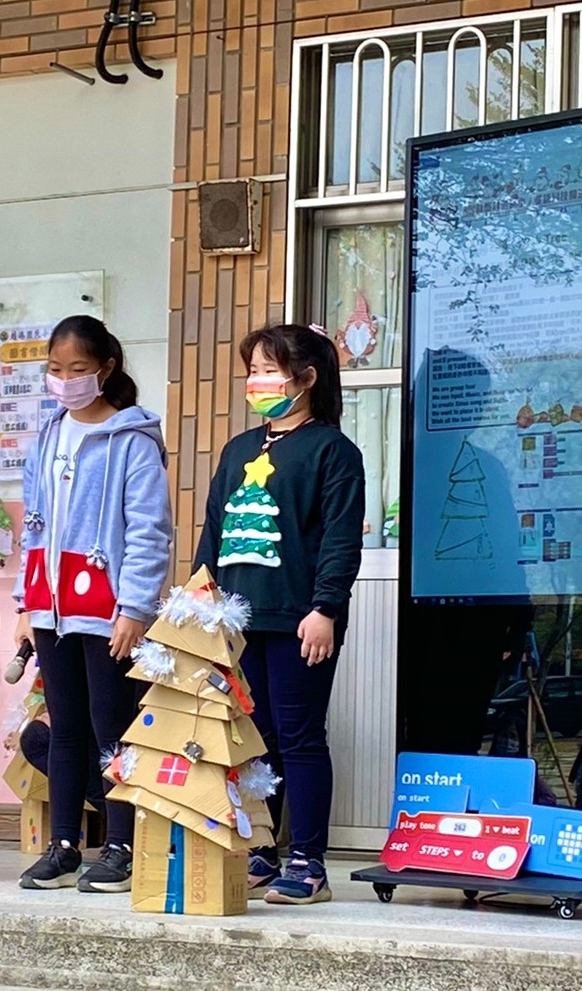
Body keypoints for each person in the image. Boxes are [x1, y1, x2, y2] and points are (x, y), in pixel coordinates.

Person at [194, 324, 365, 906]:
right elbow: (214, 530)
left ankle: (309, 863)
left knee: (300, 737)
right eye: (253, 371)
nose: (258, 382)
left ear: (307, 378)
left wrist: (326, 608)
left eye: (270, 370)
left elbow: (340, 539)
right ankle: (262, 851)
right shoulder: (238, 449)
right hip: (238, 620)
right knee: (253, 740)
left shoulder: (333, 450)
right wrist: (199, 600)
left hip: (299, 618)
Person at [12, 315, 172, 893]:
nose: (64, 380)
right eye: (55, 370)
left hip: (108, 609)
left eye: (77, 369)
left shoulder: (133, 440)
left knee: (113, 726)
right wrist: (26, 603)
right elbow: (33, 525)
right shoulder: (48, 435)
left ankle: (122, 846)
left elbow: (150, 530)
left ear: (106, 368)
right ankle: (63, 846)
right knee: (65, 726)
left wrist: (136, 608)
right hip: (50, 605)